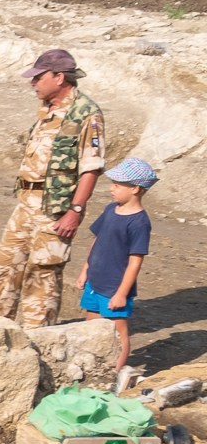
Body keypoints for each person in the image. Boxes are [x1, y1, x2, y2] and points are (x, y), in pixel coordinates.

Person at [0, 49, 106, 329]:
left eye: (38, 77)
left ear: (59, 77)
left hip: (55, 208)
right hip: (26, 203)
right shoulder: (47, 111)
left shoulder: (85, 113)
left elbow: (91, 167)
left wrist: (75, 210)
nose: (33, 83)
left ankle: (38, 337)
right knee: (3, 268)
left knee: (43, 274)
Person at [76, 156, 157, 373]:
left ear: (135, 189)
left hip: (114, 286)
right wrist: (85, 270)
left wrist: (121, 293)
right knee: (91, 326)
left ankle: (114, 373)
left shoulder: (139, 222)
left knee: (117, 330)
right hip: (95, 280)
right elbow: (97, 240)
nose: (112, 188)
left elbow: (135, 262)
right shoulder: (111, 210)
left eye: (118, 185)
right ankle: (93, 369)